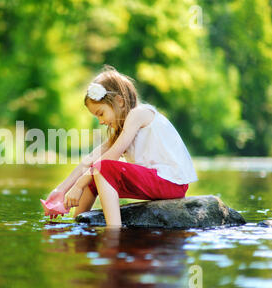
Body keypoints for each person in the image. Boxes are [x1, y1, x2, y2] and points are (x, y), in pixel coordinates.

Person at [45, 65, 198, 227]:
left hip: (170, 182)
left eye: (101, 113)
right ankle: (78, 225)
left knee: (102, 169)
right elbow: (89, 160)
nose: (101, 121)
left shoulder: (139, 114)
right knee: (94, 176)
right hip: (155, 181)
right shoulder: (122, 129)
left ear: (119, 101)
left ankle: (113, 231)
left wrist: (78, 185)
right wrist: (61, 190)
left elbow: (111, 157)